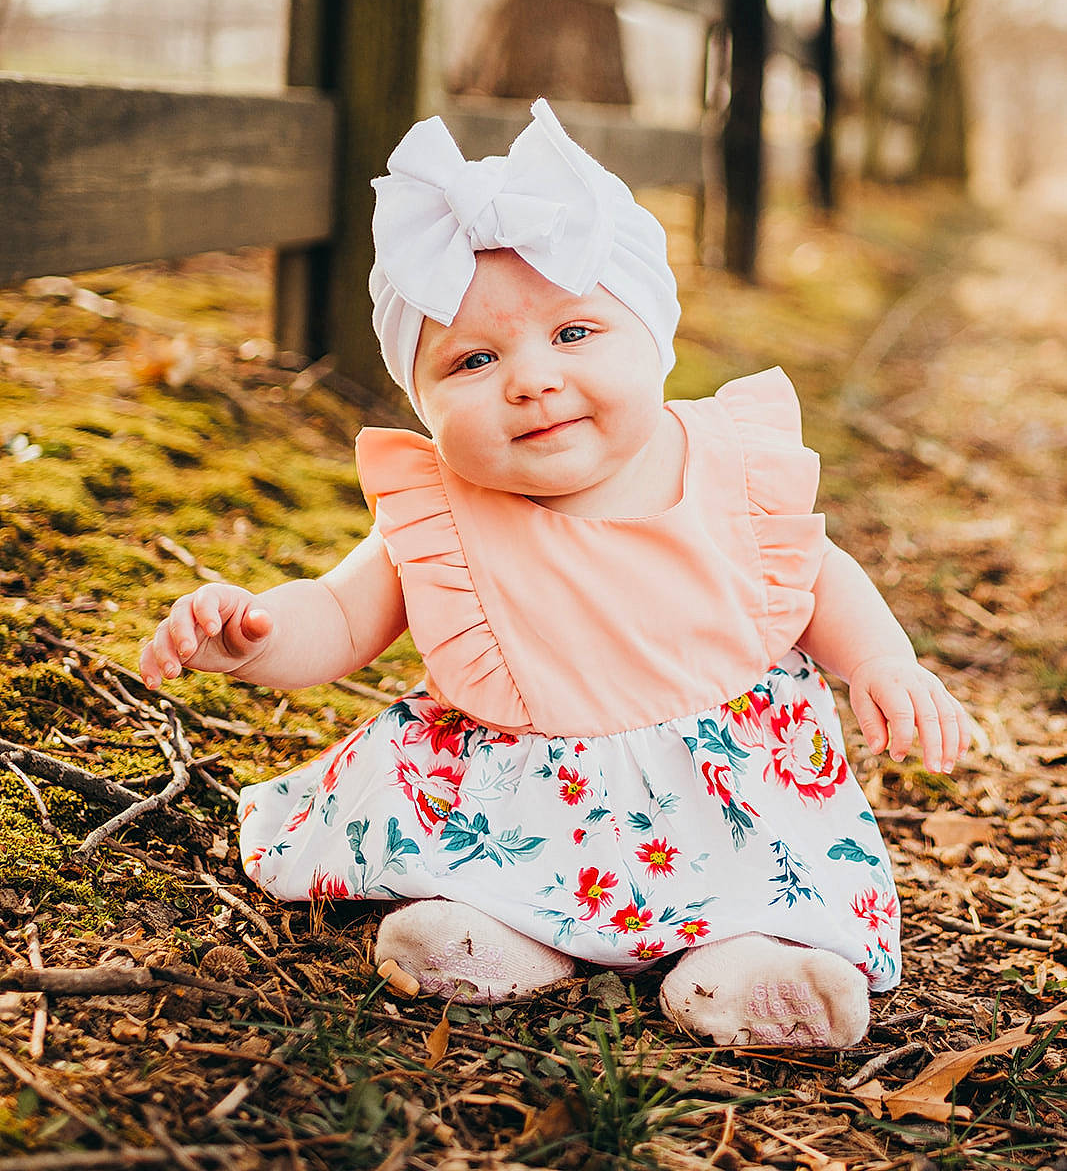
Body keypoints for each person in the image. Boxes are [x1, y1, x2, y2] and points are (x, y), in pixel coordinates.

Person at [140, 100, 970, 1046]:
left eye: (573, 334)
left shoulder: (726, 466)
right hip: (529, 801)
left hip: (731, 792)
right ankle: (505, 935)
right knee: (486, 864)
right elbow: (338, 614)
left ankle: (748, 961)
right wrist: (252, 635)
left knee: (773, 875)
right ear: (422, 401)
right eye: (473, 360)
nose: (531, 380)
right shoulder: (441, 513)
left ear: (652, 335)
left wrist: (881, 662)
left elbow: (817, 575)